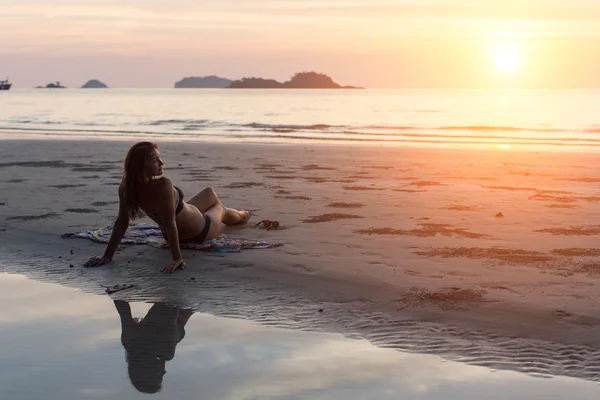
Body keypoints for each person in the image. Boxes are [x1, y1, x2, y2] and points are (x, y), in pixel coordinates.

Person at [84, 141, 250, 272]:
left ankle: (239, 215)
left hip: (185, 221)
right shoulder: (163, 184)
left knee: (209, 192)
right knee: (220, 208)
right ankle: (243, 215)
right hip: (201, 229)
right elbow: (170, 223)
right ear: (142, 165)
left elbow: (122, 223)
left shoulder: (127, 188)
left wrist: (108, 256)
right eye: (156, 160)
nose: (161, 163)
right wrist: (177, 258)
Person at [113, 300, 193, 393]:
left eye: (160, 375)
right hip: (173, 307)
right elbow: (123, 309)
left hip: (176, 301)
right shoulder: (130, 343)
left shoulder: (166, 352)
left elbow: (174, 304)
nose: (164, 372)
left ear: (149, 371)